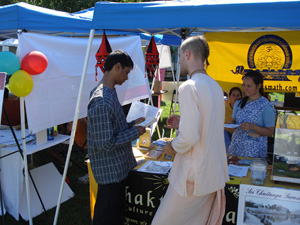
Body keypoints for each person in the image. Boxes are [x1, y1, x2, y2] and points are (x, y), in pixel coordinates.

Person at [152, 36, 229, 225]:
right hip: (211, 172)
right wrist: (183, 121)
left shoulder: (188, 87)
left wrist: (171, 147)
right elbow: (208, 124)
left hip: (194, 174)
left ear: (187, 54)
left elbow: (189, 137)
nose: (179, 61)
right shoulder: (216, 87)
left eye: (180, 56)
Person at [87, 49, 146, 225]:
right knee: (106, 216)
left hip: (116, 169)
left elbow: (111, 128)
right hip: (109, 172)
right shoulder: (102, 100)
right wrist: (136, 132)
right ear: (117, 67)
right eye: (126, 72)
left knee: (115, 215)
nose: (127, 78)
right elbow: (105, 143)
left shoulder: (108, 92)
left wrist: (132, 123)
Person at [227, 70, 276, 158]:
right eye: (244, 85)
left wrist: (252, 127)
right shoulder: (239, 103)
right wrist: (231, 124)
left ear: (259, 86)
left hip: (254, 151)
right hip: (236, 147)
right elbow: (234, 121)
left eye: (249, 86)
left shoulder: (266, 106)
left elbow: (270, 132)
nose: (245, 89)